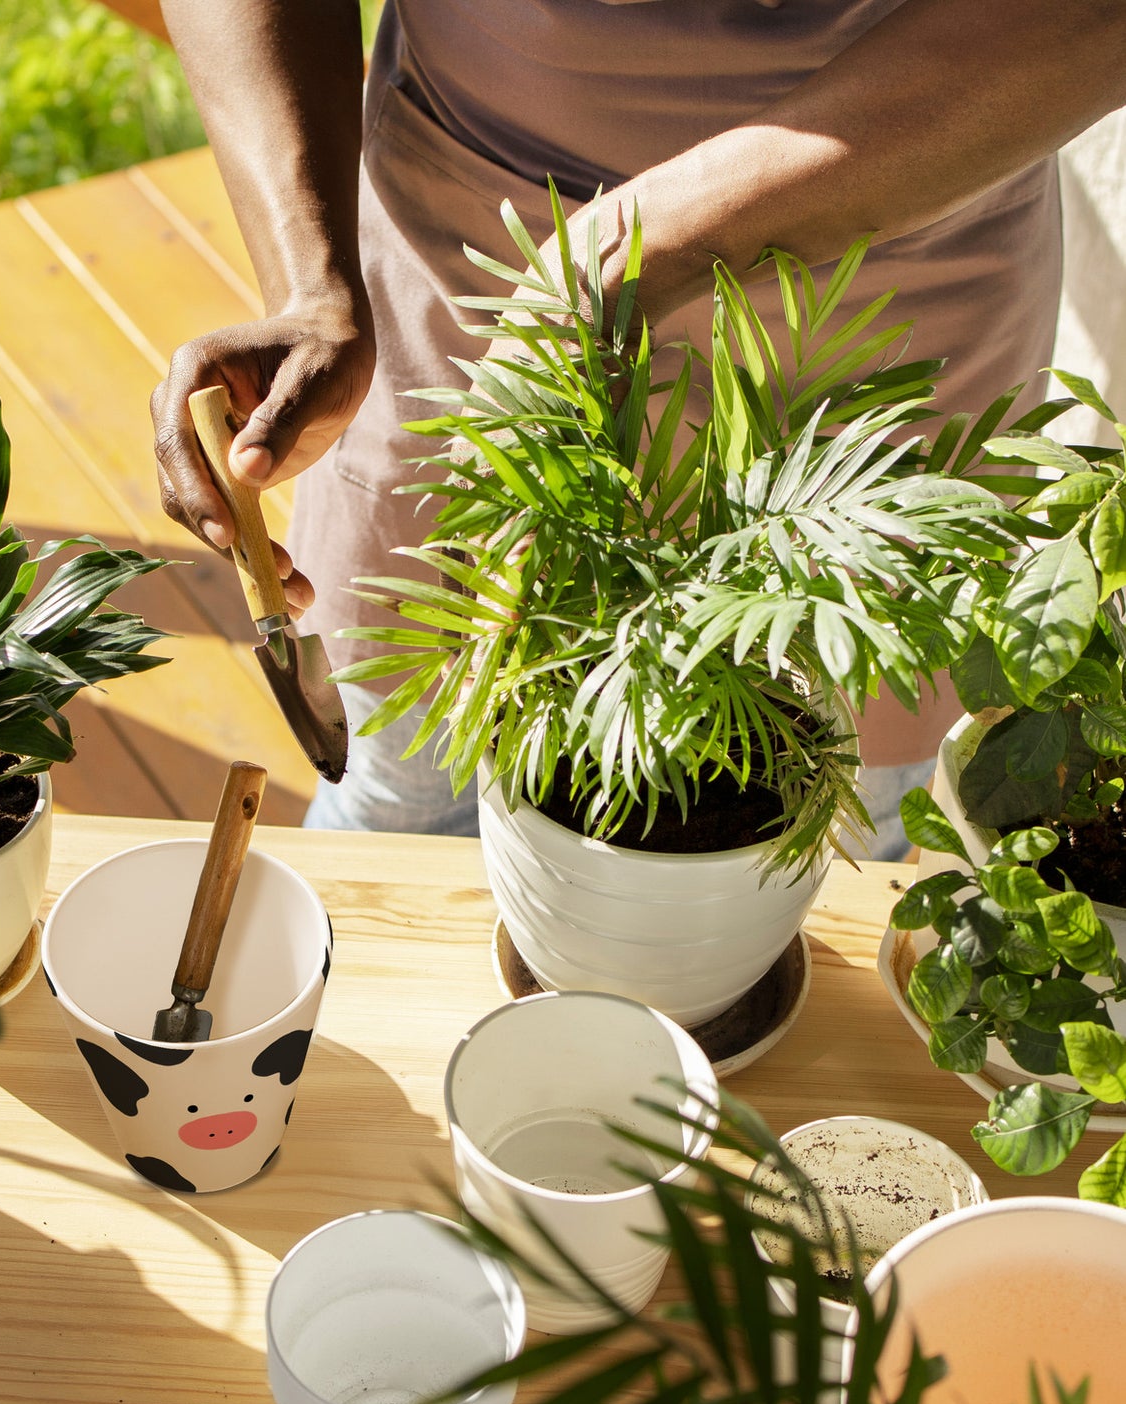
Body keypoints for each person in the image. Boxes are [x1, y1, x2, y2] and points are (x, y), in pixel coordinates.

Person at [151, 0, 1126, 858]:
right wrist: (309, 277)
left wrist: (630, 253)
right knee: (406, 794)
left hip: (882, 273)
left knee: (822, 834)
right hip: (465, 258)